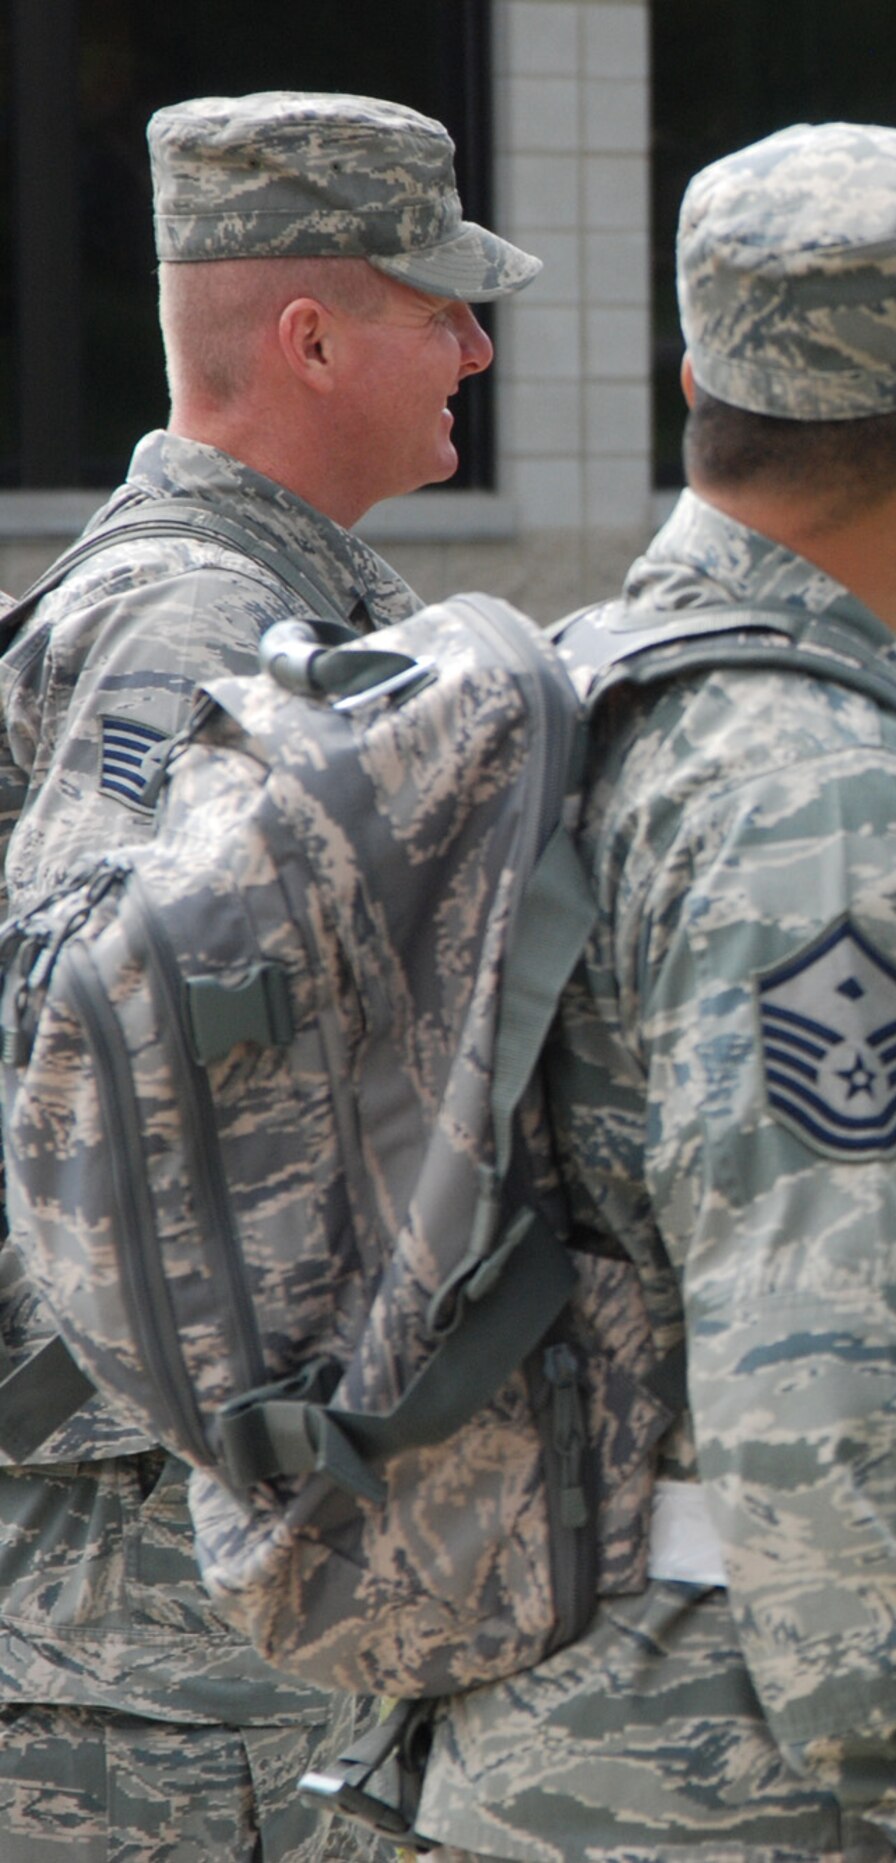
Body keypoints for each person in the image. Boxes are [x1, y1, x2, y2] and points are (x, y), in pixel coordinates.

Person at [410, 122, 896, 1862]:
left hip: (526, 1698)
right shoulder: (827, 809)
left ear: (699, 388)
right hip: (740, 1767)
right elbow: (829, 1410)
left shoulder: (578, 692)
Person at [0, 90, 538, 1858]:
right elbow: (74, 1051)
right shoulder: (201, 632)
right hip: (155, 1630)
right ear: (308, 337)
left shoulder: (272, 605)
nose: (473, 341)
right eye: (434, 303)